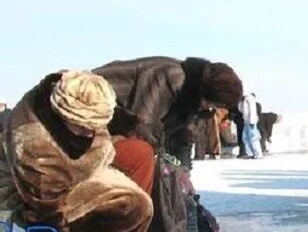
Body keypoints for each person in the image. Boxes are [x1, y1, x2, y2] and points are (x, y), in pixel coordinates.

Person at [0, 71, 156, 232]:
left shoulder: (75, 88)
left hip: (79, 169)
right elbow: (44, 209)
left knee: (140, 199)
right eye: (82, 127)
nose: (90, 133)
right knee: (131, 204)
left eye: (96, 126)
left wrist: (134, 126)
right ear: (62, 115)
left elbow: (111, 115)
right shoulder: (36, 144)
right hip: (25, 191)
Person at [93, 56, 243, 166]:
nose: (212, 109)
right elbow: (143, 123)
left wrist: (183, 169)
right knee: (142, 156)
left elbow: (185, 136)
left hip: (119, 125)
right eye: (214, 104)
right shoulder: (170, 76)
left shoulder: (192, 100)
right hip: (93, 111)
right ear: (206, 94)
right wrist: (164, 158)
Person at [238, 92, 261, 159]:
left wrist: (252, 121)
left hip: (251, 121)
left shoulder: (250, 99)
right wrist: (240, 102)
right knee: (245, 138)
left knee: (253, 138)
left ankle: (258, 154)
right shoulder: (244, 99)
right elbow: (241, 110)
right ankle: (250, 153)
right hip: (246, 121)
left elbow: (252, 110)